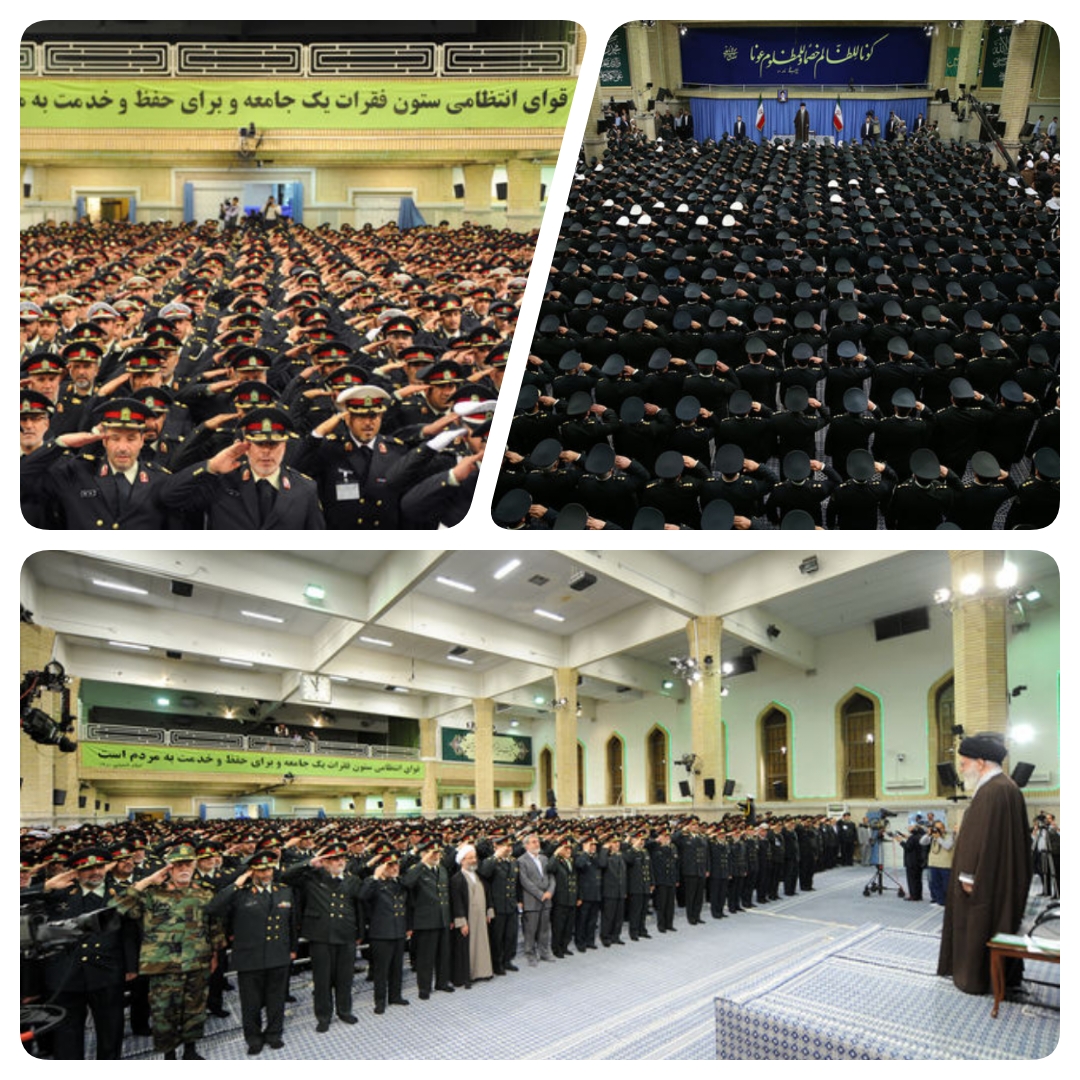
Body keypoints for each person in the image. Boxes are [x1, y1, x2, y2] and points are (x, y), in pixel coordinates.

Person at [107, 842, 225, 1060]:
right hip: (163, 965)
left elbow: (214, 926)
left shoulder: (205, 893)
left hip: (197, 961)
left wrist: (215, 954)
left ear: (194, 865)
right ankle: (168, 1054)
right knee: (164, 1012)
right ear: (169, 868)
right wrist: (148, 881)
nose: (183, 869)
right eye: (178, 865)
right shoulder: (152, 894)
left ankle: (190, 1050)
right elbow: (116, 908)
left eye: (188, 864)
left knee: (195, 1009)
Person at [937, 733, 1032, 995]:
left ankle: (974, 978)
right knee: (999, 922)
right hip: (1000, 877)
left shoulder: (991, 791)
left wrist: (968, 876)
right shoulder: (1007, 787)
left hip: (982, 882)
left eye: (964, 763)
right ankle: (999, 977)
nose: (961, 769)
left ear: (980, 762)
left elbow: (977, 837)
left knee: (977, 926)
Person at [38, 846, 139, 1059]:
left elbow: (129, 933)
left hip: (107, 972)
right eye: (87, 868)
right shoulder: (57, 895)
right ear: (75, 872)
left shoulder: (119, 893)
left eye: (100, 867)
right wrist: (45, 888)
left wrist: (131, 967)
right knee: (67, 1034)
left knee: (110, 1029)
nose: (95, 872)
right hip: (66, 973)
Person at [205, 850, 297, 1054]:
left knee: (276, 1000)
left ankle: (274, 1034)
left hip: (278, 953)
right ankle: (253, 1038)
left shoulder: (284, 891)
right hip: (249, 956)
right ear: (252, 871)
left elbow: (292, 923)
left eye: (269, 869)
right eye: (261, 870)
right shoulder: (240, 893)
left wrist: (292, 949)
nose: (266, 874)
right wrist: (237, 883)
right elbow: (213, 908)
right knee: (251, 1002)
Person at [280, 840, 365, 1031]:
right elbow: (285, 877)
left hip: (345, 933)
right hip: (321, 935)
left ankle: (344, 1010)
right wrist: (310, 863)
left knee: (345, 978)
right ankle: (323, 1016)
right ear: (324, 862)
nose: (340, 862)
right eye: (334, 859)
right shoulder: (311, 877)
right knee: (322, 979)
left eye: (342, 858)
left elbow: (358, 907)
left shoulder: (352, 879)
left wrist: (359, 932)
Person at [358, 851, 411, 1014]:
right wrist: (375, 876)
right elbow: (362, 896)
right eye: (390, 866)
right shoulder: (373, 883)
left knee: (397, 967)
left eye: (396, 865)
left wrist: (407, 927)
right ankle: (380, 1000)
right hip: (381, 933)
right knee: (381, 970)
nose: (395, 868)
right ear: (382, 867)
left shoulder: (399, 883)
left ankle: (395, 996)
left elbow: (407, 904)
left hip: (398, 930)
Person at [449, 843, 494, 985]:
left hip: (481, 916)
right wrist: (462, 922)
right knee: (468, 947)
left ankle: (483, 972)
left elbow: (488, 894)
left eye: (474, 858)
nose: (474, 860)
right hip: (468, 918)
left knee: (482, 945)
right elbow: (456, 902)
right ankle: (467, 976)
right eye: (470, 858)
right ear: (462, 860)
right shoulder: (457, 879)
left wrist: (489, 911)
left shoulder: (479, 876)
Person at [517, 832, 555, 964]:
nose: (537, 844)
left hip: (547, 899)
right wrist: (540, 894)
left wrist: (550, 891)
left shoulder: (544, 858)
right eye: (533, 842)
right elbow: (524, 881)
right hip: (531, 900)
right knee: (530, 930)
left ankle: (544, 952)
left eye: (538, 841)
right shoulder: (521, 860)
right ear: (526, 845)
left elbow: (551, 877)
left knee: (544, 929)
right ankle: (530, 954)